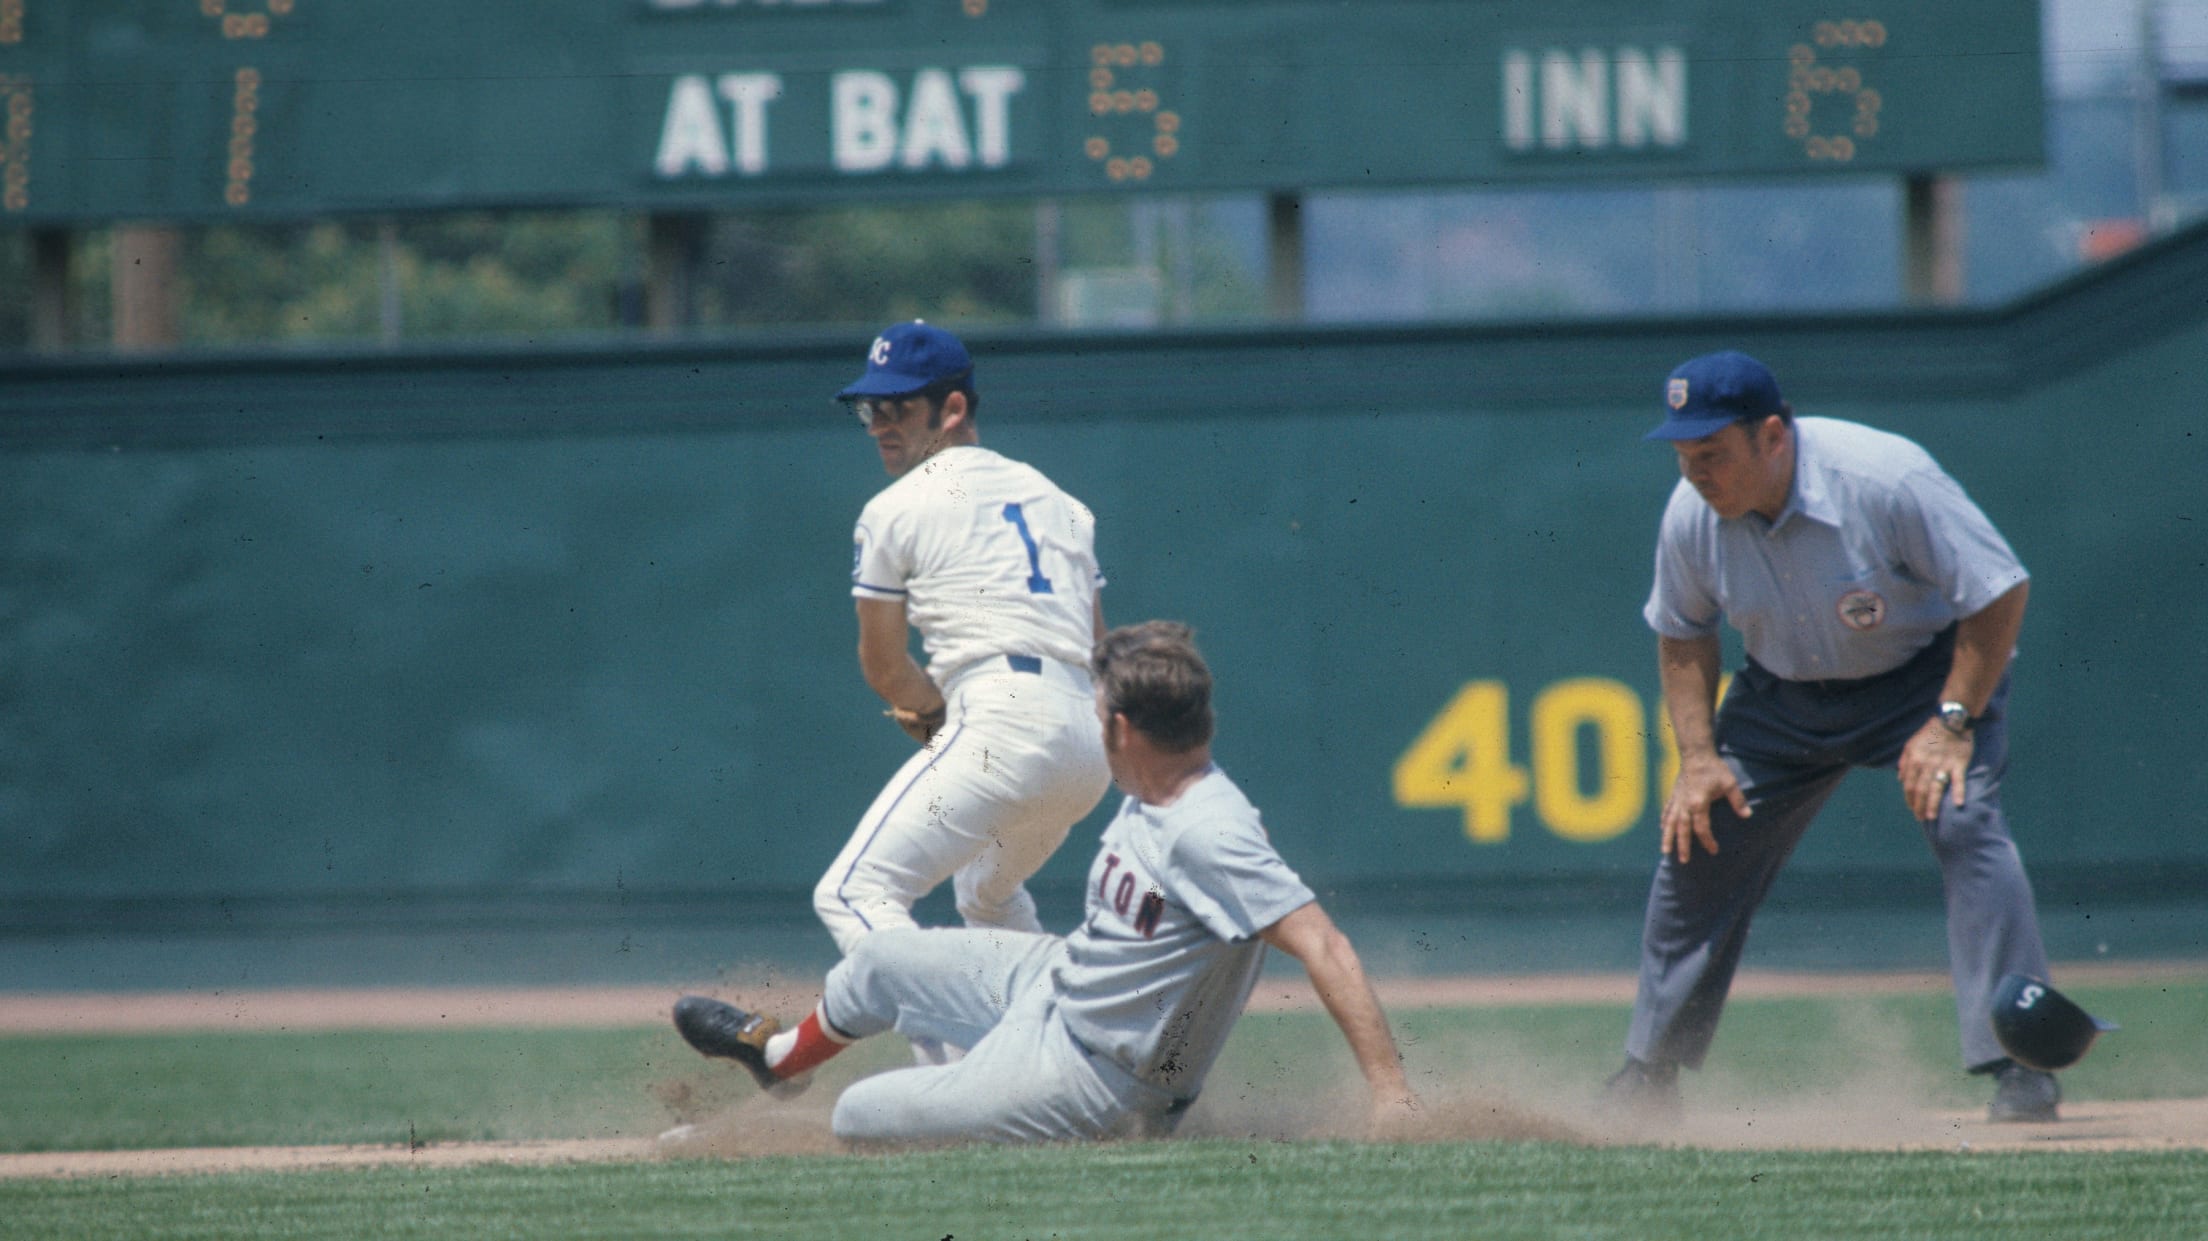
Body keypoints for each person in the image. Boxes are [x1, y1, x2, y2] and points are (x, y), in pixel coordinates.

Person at [673, 621, 1420, 1145]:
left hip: (1095, 1079)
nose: (1090, 724)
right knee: (873, 963)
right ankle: (776, 1061)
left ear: (1123, 728)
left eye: (1097, 713)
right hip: (1055, 982)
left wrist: (1389, 1095)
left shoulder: (1208, 829)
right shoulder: (1151, 779)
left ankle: (962, 1099)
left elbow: (1324, 943)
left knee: (860, 1113)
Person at [1608, 350, 2063, 1124]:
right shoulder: (1692, 515)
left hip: (1922, 681)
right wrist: (1697, 759)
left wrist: (1953, 723)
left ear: (1774, 438)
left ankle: (2020, 1061)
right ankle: (1649, 1072)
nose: (1697, 474)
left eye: (1713, 454)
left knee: (1962, 817)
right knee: (1702, 831)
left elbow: (1998, 589)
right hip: (1782, 696)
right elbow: (1682, 632)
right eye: (1686, 457)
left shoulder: (1885, 479)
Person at [813, 320, 1111, 956]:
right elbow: (1101, 650)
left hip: (1000, 718)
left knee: (853, 895)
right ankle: (1056, 1040)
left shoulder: (893, 508)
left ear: (952, 408)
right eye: (868, 408)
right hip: (1087, 742)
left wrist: (932, 711)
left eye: (897, 406)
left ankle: (947, 1046)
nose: (878, 425)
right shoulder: (1062, 503)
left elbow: (887, 670)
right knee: (987, 895)